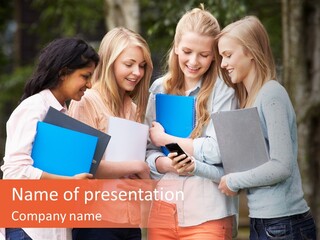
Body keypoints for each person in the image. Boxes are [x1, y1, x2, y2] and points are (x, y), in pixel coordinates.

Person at [215, 16, 317, 239]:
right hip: (265, 223)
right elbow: (244, 170)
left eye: (228, 55)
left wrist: (233, 181)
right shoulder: (250, 99)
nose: (223, 64)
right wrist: (189, 163)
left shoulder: (271, 94)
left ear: (250, 52)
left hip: (284, 224)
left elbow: (282, 166)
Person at [145, 4, 238, 240]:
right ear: (176, 46)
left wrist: (166, 139)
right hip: (163, 210)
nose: (194, 61)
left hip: (208, 215)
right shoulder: (159, 89)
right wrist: (165, 164)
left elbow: (219, 151)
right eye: (187, 51)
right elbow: (147, 150)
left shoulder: (224, 91)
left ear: (214, 55)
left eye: (204, 55)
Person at [1, 37, 99, 240]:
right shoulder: (33, 108)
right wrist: (69, 182)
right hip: (27, 229)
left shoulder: (63, 113)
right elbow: (15, 171)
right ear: (63, 73)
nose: (89, 84)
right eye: (85, 76)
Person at [68, 27, 153, 240]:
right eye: (129, 64)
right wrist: (137, 166)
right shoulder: (86, 101)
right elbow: (81, 164)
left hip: (129, 220)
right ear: (109, 62)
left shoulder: (132, 108)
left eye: (142, 66)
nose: (137, 72)